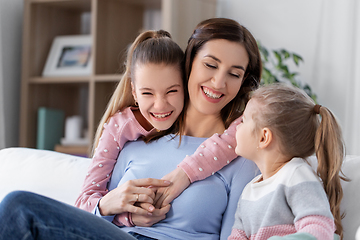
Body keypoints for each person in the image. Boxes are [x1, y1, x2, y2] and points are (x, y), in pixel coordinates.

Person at [0, 18, 262, 240]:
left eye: (234, 73)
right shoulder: (131, 144)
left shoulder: (240, 157)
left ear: (243, 82)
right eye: (211, 64)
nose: (218, 82)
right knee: (17, 208)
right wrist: (112, 210)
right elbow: (95, 220)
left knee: (19, 208)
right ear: (189, 63)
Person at [76, 27, 243, 216]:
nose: (160, 105)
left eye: (172, 91)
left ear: (185, 85)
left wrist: (186, 172)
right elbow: (84, 203)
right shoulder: (121, 127)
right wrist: (127, 219)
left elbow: (244, 127)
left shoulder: (198, 114)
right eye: (147, 93)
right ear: (134, 92)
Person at [228, 83, 347, 240]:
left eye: (243, 120)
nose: (236, 126)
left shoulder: (296, 174)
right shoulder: (249, 191)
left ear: (264, 137)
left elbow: (320, 229)